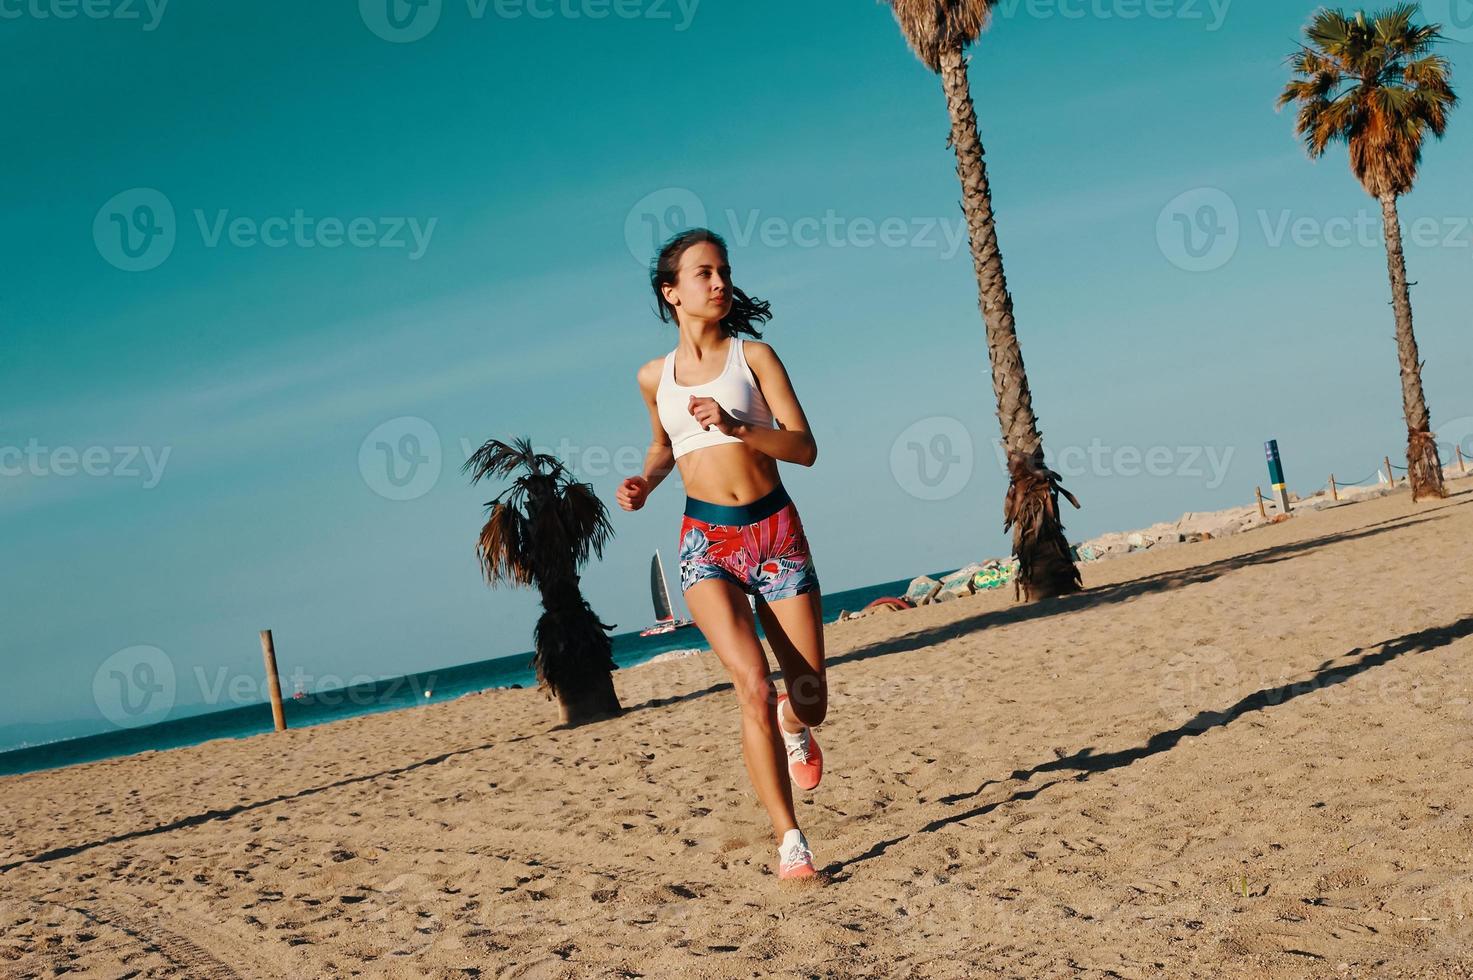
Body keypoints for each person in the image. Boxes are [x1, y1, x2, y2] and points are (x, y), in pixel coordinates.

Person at [617, 228, 828, 881]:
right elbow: (663, 444)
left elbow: (803, 447)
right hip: (705, 541)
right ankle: (789, 839)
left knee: (808, 697)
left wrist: (739, 428)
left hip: (773, 534)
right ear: (670, 291)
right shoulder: (654, 377)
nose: (717, 283)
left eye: (723, 272)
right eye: (703, 273)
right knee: (750, 686)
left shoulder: (754, 357)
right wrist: (645, 482)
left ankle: (798, 724)